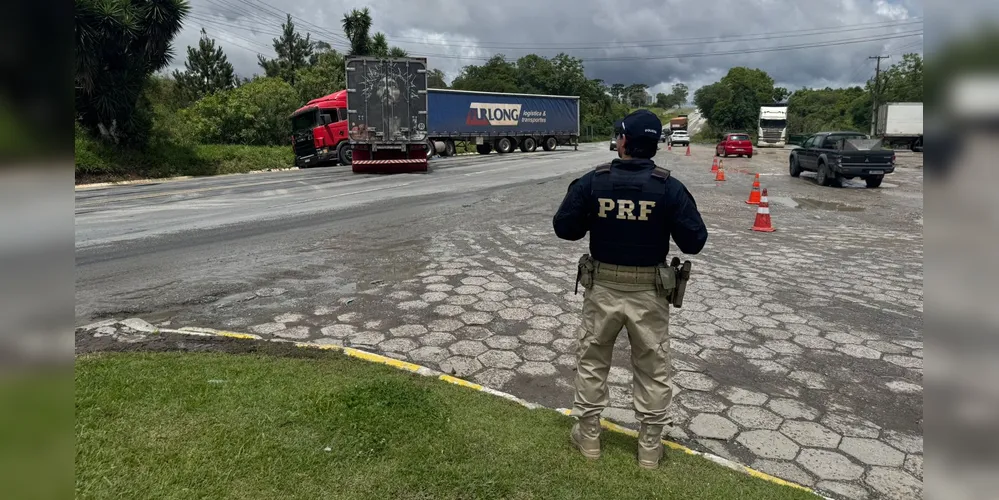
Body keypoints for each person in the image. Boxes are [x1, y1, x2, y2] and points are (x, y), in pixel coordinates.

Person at [552, 109, 708, 469]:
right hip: (650, 293)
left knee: (593, 360)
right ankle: (649, 448)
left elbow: (564, 228)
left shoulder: (594, 182)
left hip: (602, 287)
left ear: (622, 141)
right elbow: (695, 241)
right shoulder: (669, 187)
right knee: (653, 366)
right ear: (654, 145)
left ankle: (589, 437)